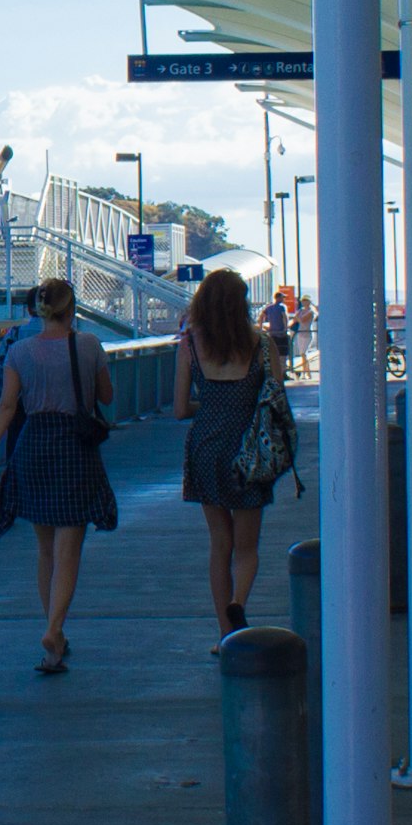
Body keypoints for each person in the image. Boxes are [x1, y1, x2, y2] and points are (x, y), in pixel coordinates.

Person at [0, 277, 115, 675]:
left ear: (37, 308)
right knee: (70, 547)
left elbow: (6, 406)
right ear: (72, 310)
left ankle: (54, 641)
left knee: (45, 549)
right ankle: (54, 629)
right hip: (74, 448)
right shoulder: (87, 345)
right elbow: (106, 396)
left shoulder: (20, 351)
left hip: (33, 447)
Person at [179, 267, 283, 634]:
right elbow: (274, 398)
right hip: (250, 450)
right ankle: (239, 602)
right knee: (247, 547)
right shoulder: (262, 345)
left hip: (206, 446)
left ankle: (225, 632)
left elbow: (180, 408)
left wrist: (211, 407)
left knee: (219, 544)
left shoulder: (190, 343)